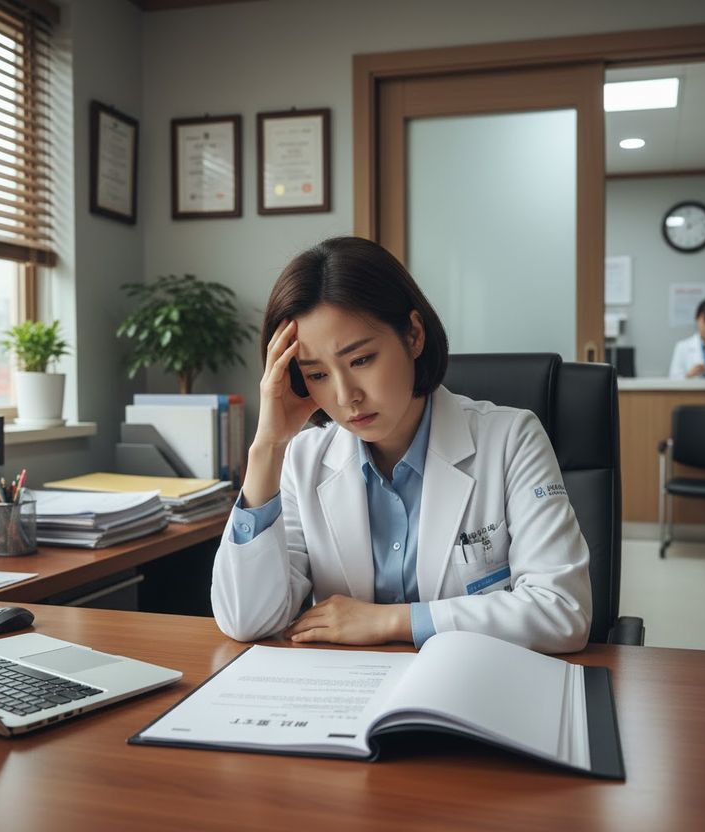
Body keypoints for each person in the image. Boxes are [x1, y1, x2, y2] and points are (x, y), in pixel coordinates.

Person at [211, 237, 592, 653]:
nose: (345, 396)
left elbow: (562, 610)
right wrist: (267, 447)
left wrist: (391, 621)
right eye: (317, 374)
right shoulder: (303, 460)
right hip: (350, 696)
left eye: (360, 361)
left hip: (473, 687)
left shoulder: (512, 439)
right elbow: (247, 620)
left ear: (413, 335)